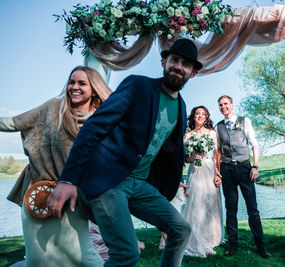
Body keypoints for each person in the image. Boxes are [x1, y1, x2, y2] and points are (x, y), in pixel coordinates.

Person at [47, 38, 202, 267]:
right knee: (127, 253)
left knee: (181, 229)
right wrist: (68, 179)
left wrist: (174, 180)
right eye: (174, 60)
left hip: (139, 183)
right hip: (107, 180)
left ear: (193, 73)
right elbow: (93, 128)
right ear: (163, 62)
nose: (179, 66)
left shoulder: (181, 106)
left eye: (186, 64)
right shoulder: (138, 86)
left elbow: (167, 152)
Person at [1, 66, 111, 267]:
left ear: (94, 89)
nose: (74, 87)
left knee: (83, 256)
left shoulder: (102, 120)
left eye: (81, 83)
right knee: (37, 259)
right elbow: (14, 123)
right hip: (38, 195)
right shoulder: (52, 108)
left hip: (73, 198)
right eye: (71, 82)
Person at [215, 95, 271, 258]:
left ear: (232, 105)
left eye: (226, 104)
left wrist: (255, 166)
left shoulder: (244, 121)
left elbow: (254, 144)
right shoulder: (218, 127)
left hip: (245, 168)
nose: (223, 107)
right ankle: (233, 245)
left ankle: (261, 246)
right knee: (231, 210)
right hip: (227, 170)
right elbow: (218, 151)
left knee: (252, 209)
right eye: (220, 105)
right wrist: (218, 170)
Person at [181, 105, 224, 257]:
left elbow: (217, 155)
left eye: (203, 114)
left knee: (210, 204)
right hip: (195, 171)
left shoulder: (212, 133)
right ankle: (194, 238)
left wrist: (218, 173)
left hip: (209, 170)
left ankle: (210, 239)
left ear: (207, 117)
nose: (200, 116)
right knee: (195, 204)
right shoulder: (187, 135)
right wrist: (193, 157)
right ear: (193, 116)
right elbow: (185, 158)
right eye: (197, 113)